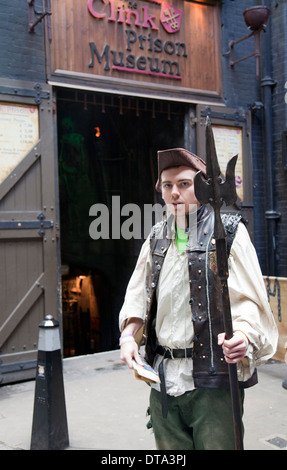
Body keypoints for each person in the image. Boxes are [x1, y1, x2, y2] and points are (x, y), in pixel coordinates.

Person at [119, 148, 278, 450]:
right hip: (163, 378)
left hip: (213, 380)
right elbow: (138, 295)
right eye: (167, 186)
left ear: (202, 187)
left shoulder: (228, 233)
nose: (174, 193)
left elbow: (247, 300)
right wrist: (128, 336)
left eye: (184, 184)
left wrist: (243, 335)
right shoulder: (156, 236)